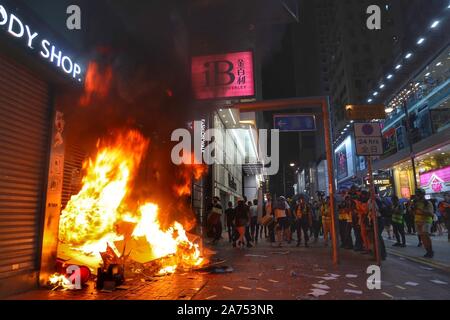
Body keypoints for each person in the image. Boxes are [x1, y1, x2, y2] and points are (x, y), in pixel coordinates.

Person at [413, 189, 435, 258]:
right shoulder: (416, 203)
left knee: (426, 236)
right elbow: (413, 213)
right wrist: (412, 209)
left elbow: (431, 213)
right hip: (418, 222)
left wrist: (421, 211)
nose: (417, 196)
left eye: (418, 194)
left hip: (426, 221)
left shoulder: (427, 203)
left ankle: (430, 251)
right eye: (417, 194)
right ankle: (427, 251)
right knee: (422, 237)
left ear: (423, 195)